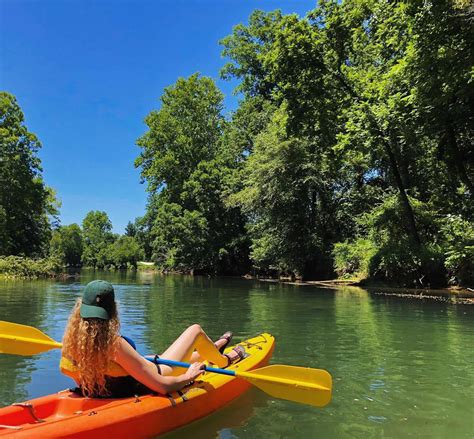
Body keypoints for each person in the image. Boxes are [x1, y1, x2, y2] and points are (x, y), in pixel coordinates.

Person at [60, 280, 245, 398]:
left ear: (80, 308)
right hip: (160, 373)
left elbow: (84, 376)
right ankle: (224, 360)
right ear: (113, 310)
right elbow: (162, 387)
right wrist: (188, 377)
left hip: (138, 372)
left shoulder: (71, 343)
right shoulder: (114, 344)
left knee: (162, 356)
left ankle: (218, 346)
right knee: (195, 330)